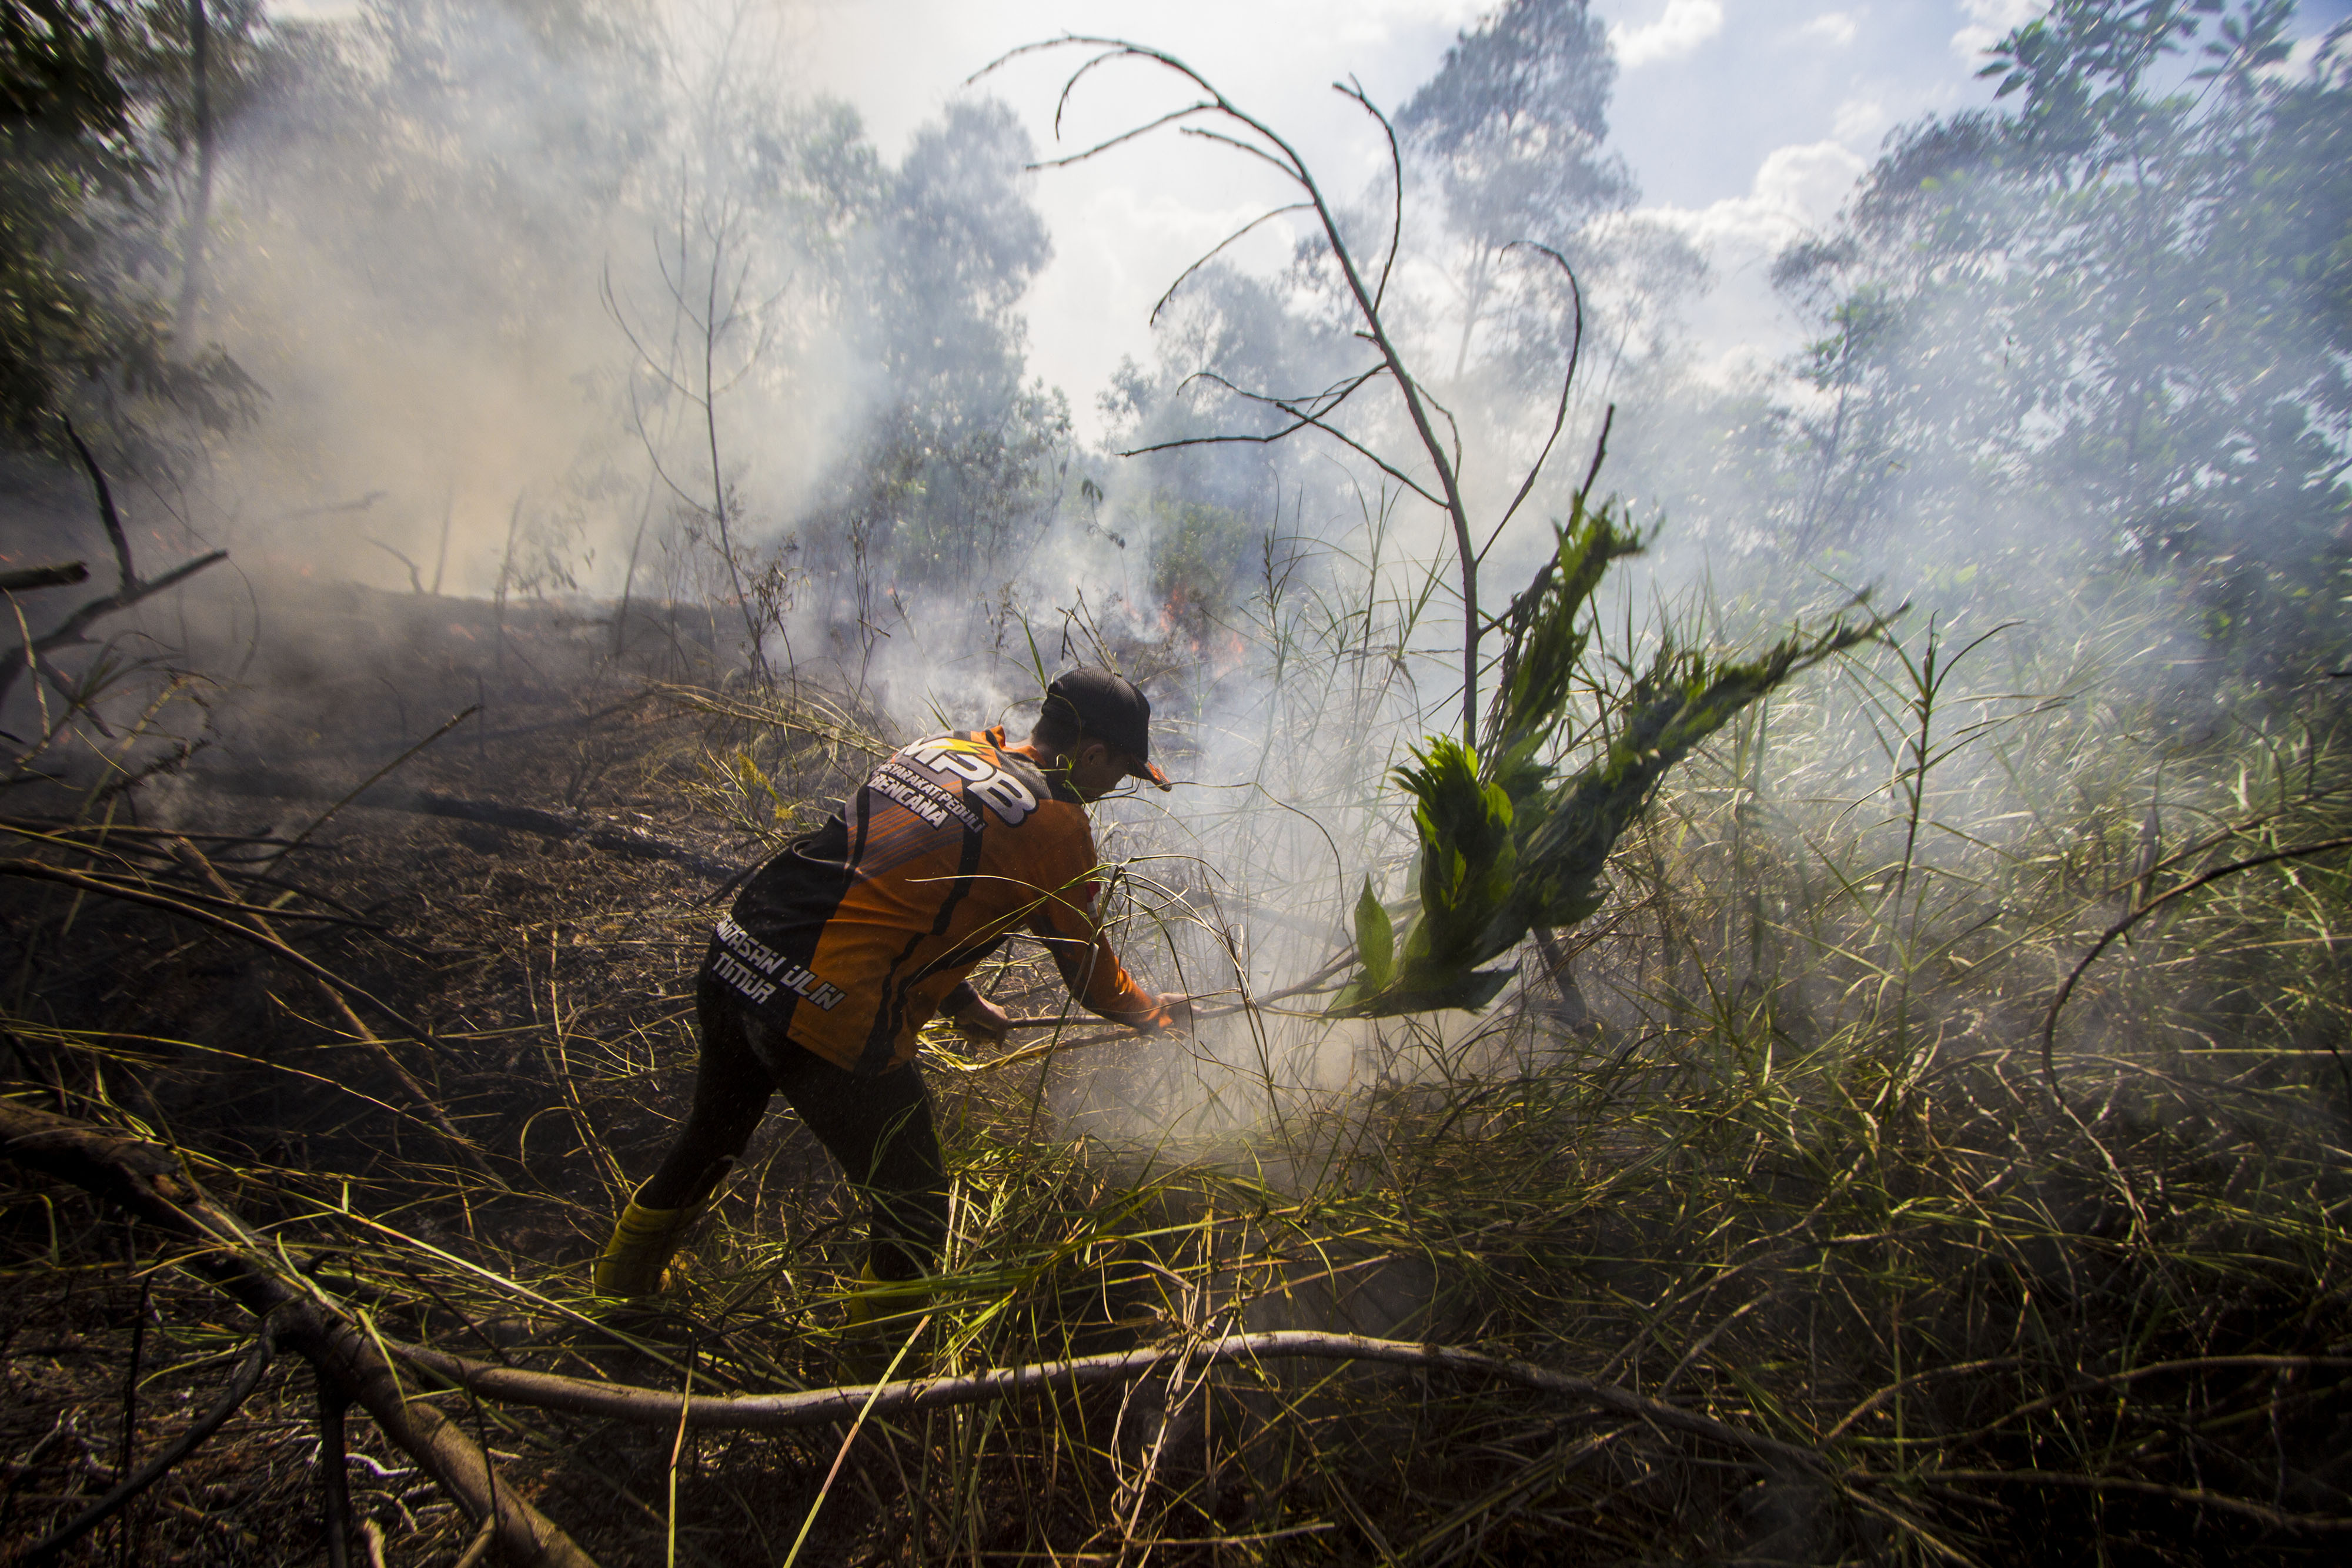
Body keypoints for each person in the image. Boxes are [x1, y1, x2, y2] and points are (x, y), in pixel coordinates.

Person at [594, 667, 1192, 1315]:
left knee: (712, 1135)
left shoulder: (943, 747)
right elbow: (1090, 977)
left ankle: (619, 1293)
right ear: (1093, 754)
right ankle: (872, 1374)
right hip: (829, 1009)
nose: (1115, 787)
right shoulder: (1058, 825)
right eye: (1120, 772)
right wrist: (1154, 1014)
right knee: (916, 1210)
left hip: (739, 953)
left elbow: (881, 883)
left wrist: (960, 1000)